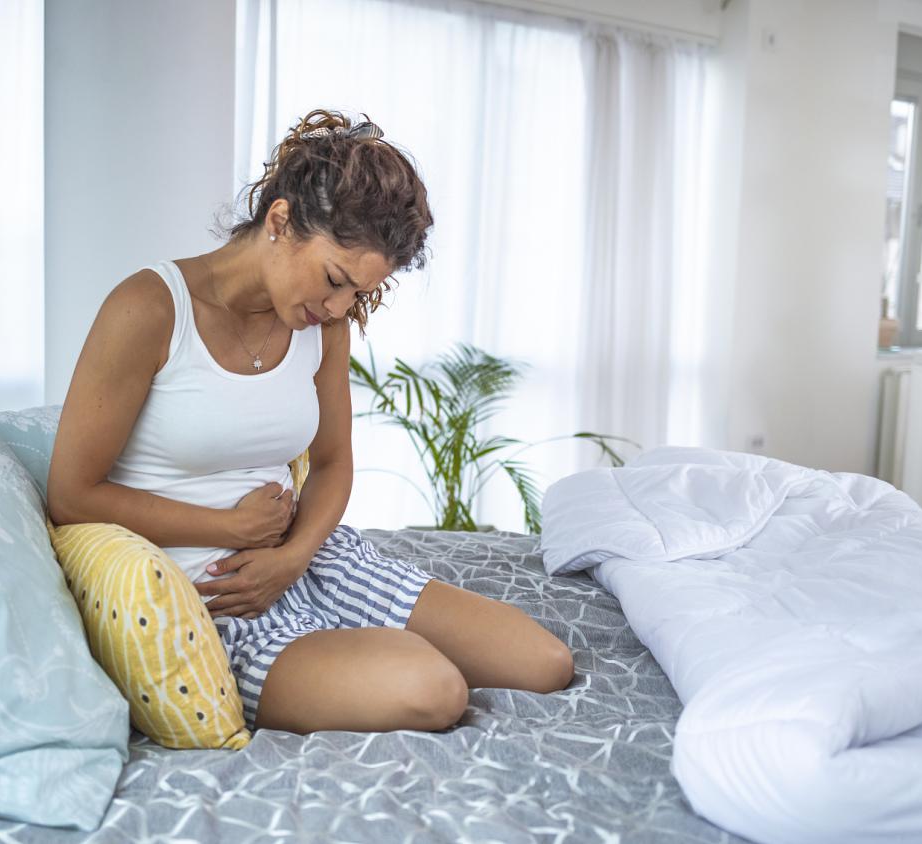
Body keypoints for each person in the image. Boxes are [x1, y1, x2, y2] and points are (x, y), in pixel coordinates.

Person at [47, 108, 574, 735]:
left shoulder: (324, 326)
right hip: (214, 595)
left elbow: (331, 465)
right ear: (280, 221)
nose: (338, 306)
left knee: (545, 663)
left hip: (307, 561)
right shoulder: (149, 308)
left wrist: (294, 555)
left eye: (357, 292)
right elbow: (71, 494)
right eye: (334, 279)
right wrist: (227, 526)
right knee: (434, 690)